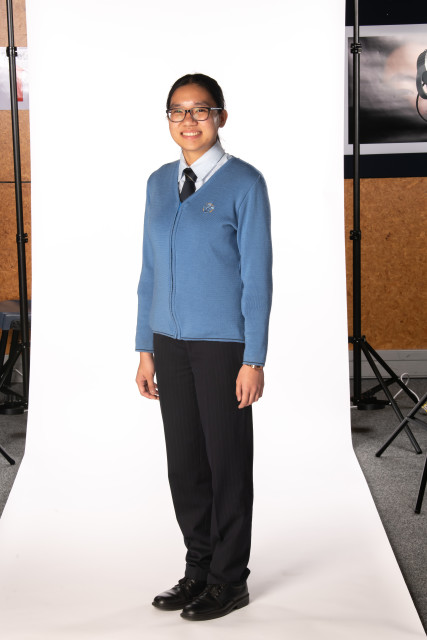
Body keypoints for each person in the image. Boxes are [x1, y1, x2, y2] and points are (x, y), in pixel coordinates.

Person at [135, 73, 273, 622]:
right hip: (168, 343)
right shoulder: (157, 183)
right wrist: (144, 346)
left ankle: (229, 580)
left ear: (221, 116)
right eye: (178, 110)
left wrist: (253, 358)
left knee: (227, 463)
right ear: (168, 118)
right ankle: (199, 568)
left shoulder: (245, 183)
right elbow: (149, 270)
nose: (188, 120)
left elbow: (257, 278)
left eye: (200, 109)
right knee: (186, 464)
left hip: (222, 347)